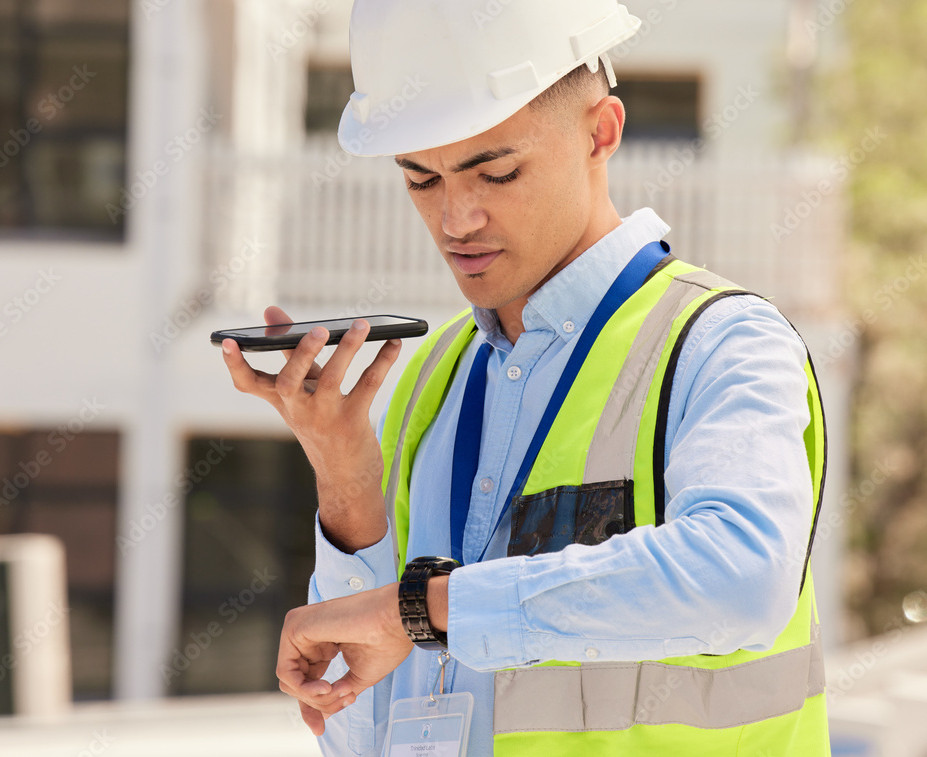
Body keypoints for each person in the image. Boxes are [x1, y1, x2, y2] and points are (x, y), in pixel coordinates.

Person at [221, 1, 831, 754]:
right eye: (421, 181)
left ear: (600, 132)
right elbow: (363, 735)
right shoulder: (426, 386)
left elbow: (740, 578)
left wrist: (427, 607)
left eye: (497, 171)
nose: (456, 218)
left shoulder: (720, 343)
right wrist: (345, 481)